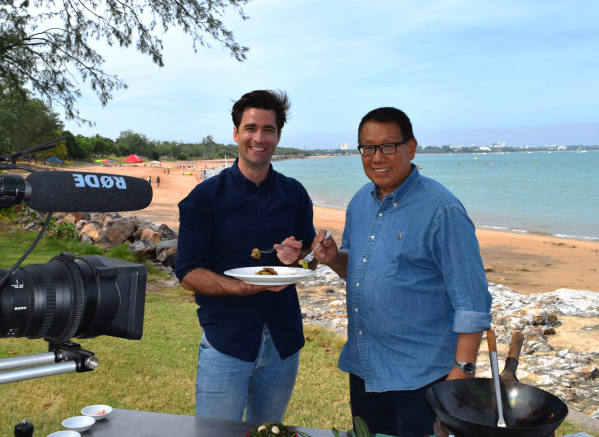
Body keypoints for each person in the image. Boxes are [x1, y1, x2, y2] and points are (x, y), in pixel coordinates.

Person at [310, 107, 492, 437]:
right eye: (368, 147)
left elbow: (473, 302)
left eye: (388, 146)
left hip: (424, 380)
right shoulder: (359, 203)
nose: (377, 157)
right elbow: (360, 271)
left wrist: (462, 374)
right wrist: (336, 258)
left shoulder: (443, 209)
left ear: (411, 148)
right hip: (366, 371)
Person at [175, 89, 317, 423]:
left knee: (269, 432)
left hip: (284, 341)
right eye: (251, 128)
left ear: (278, 136)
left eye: (268, 129)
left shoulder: (294, 193)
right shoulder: (205, 198)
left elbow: (311, 258)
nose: (259, 137)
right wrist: (242, 288)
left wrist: (302, 257)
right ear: (237, 133)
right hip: (227, 340)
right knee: (214, 434)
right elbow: (187, 272)